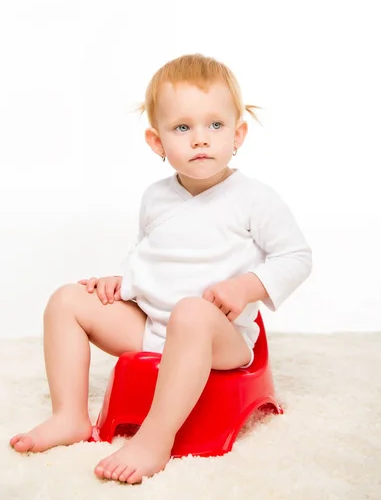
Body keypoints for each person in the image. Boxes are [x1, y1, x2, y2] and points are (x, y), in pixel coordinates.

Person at [9, 53, 312, 484]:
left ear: (238, 134)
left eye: (215, 125)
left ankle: (156, 436)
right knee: (66, 301)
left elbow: (297, 257)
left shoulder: (254, 199)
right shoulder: (156, 197)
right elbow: (150, 255)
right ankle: (69, 415)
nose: (200, 140)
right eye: (183, 128)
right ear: (157, 142)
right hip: (154, 326)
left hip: (220, 339)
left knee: (191, 311)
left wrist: (248, 286)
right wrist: (123, 282)